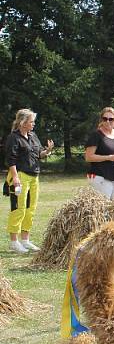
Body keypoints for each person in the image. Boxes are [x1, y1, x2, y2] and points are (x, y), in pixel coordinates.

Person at [4, 108, 54, 253]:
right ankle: (14, 242)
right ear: (22, 122)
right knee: (18, 208)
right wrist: (15, 177)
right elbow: (10, 159)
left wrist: (48, 151)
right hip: (19, 175)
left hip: (34, 176)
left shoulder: (33, 136)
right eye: (31, 121)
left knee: (30, 209)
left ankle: (25, 240)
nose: (33, 124)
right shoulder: (14, 137)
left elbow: (39, 154)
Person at [85, 107, 114, 199]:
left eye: (111, 119)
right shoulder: (96, 135)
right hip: (102, 177)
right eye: (105, 119)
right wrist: (109, 157)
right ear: (101, 120)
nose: (108, 121)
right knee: (103, 209)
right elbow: (88, 157)